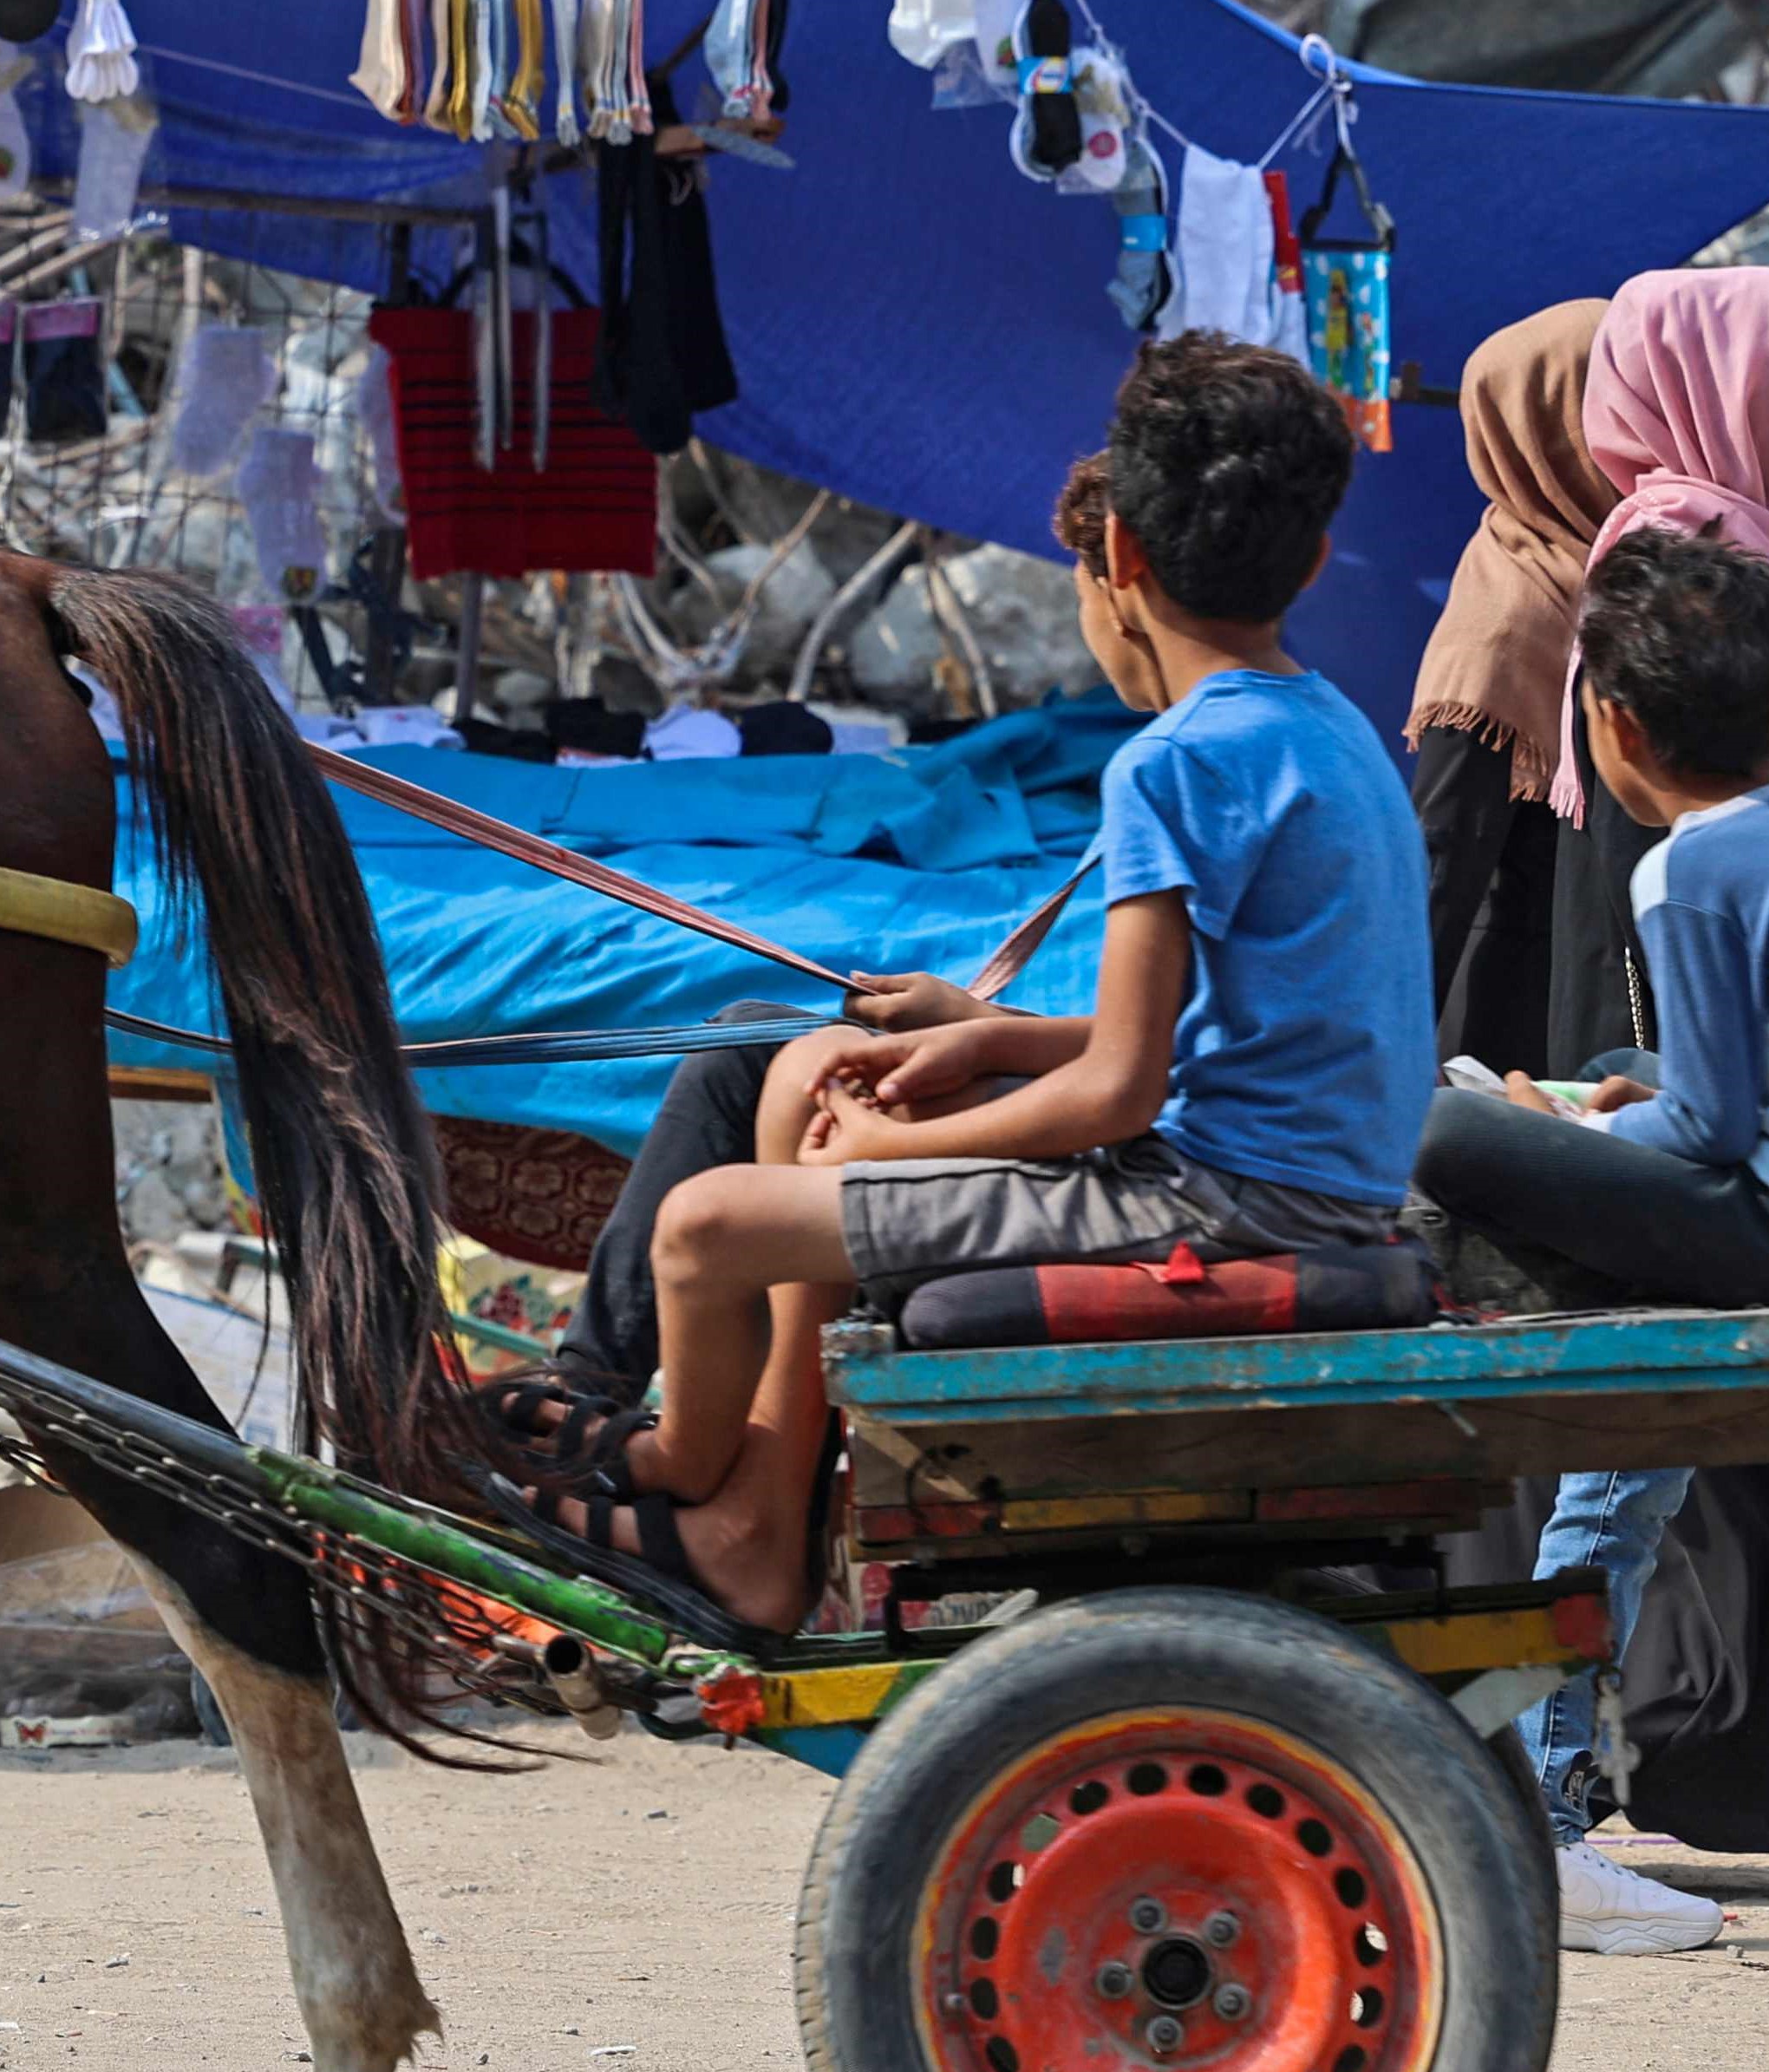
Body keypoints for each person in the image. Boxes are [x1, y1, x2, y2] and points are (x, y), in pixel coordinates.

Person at [533, 337, 1433, 1636]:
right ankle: (757, 1532)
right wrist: (988, 1039)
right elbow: (1235, 1032)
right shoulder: (1334, 727)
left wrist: (917, 1140)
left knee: (706, 1229)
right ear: (1306, 560)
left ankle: (674, 1473)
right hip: (1293, 1180)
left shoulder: (1172, 766)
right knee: (797, 1079)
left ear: (1117, 556)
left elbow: (1123, 1094)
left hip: (1221, 1205)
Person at [1414, 523, 1769, 1953]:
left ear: (1609, 726)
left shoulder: (1679, 871)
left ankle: (1540, 1812)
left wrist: (1562, 1133)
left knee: (1441, 1122)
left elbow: (1699, 1139)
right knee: (1609, 1491)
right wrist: (1630, 1100)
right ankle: (1539, 1804)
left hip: (1735, 1222)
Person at [1402, 300, 1631, 1080]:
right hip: (1515, 1035)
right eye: (1611, 412)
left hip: (1605, 992)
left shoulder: (1630, 576)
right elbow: (1439, 864)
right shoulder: (1506, 619)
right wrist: (1380, 1068)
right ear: (1543, 432)